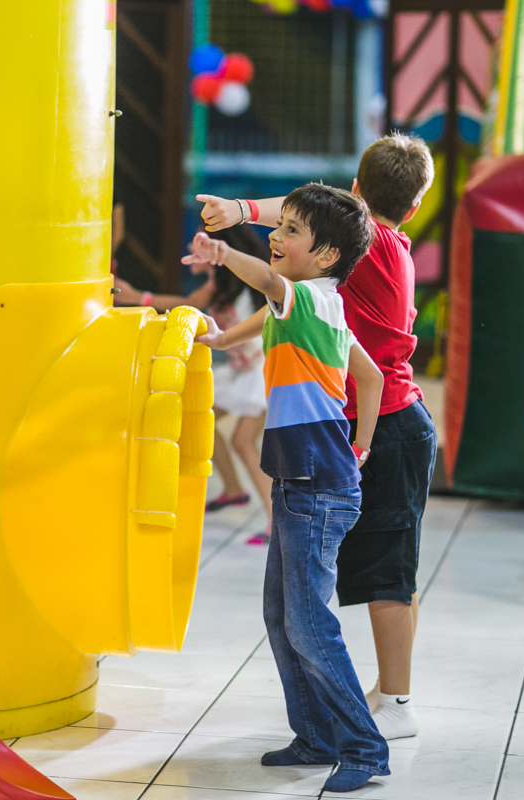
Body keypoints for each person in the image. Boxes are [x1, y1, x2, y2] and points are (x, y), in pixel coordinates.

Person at [197, 133, 438, 741]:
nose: (290, 233)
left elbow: (309, 216)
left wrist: (243, 215)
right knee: (389, 566)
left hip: (388, 425)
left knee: (387, 573)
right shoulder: (353, 266)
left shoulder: (375, 244)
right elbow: (284, 304)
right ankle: (390, 688)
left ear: (354, 198)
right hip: (375, 424)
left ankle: (399, 701)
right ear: (414, 207)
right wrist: (225, 339)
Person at [191, 183, 386, 793]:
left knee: (306, 623)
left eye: (292, 230)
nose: (276, 236)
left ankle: (363, 745)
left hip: (315, 489)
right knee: (283, 616)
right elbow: (371, 378)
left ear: (326, 255)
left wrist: (224, 256)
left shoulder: (301, 296)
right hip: (308, 483)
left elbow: (273, 292)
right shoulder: (321, 304)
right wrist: (363, 445)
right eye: (282, 226)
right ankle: (315, 735)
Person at [116, 228, 274, 543]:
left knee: (244, 442)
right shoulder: (221, 283)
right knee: (202, 417)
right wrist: (137, 297)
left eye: (199, 243)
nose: (191, 247)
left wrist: (137, 297)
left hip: (260, 372)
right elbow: (188, 302)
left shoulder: (235, 279)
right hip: (245, 371)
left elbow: (186, 302)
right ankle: (233, 489)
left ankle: (277, 523)